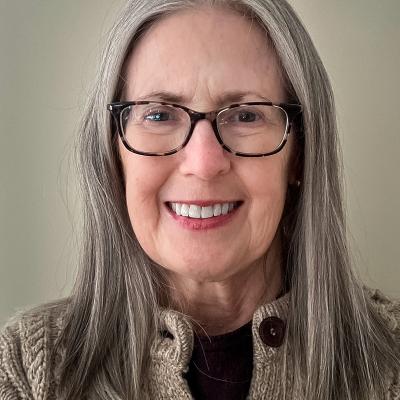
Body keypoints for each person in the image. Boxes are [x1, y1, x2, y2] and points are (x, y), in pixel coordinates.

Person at [1, 0, 399, 399]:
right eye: (159, 115)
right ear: (113, 152)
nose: (204, 164)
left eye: (246, 115)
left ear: (300, 153)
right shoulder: (26, 372)